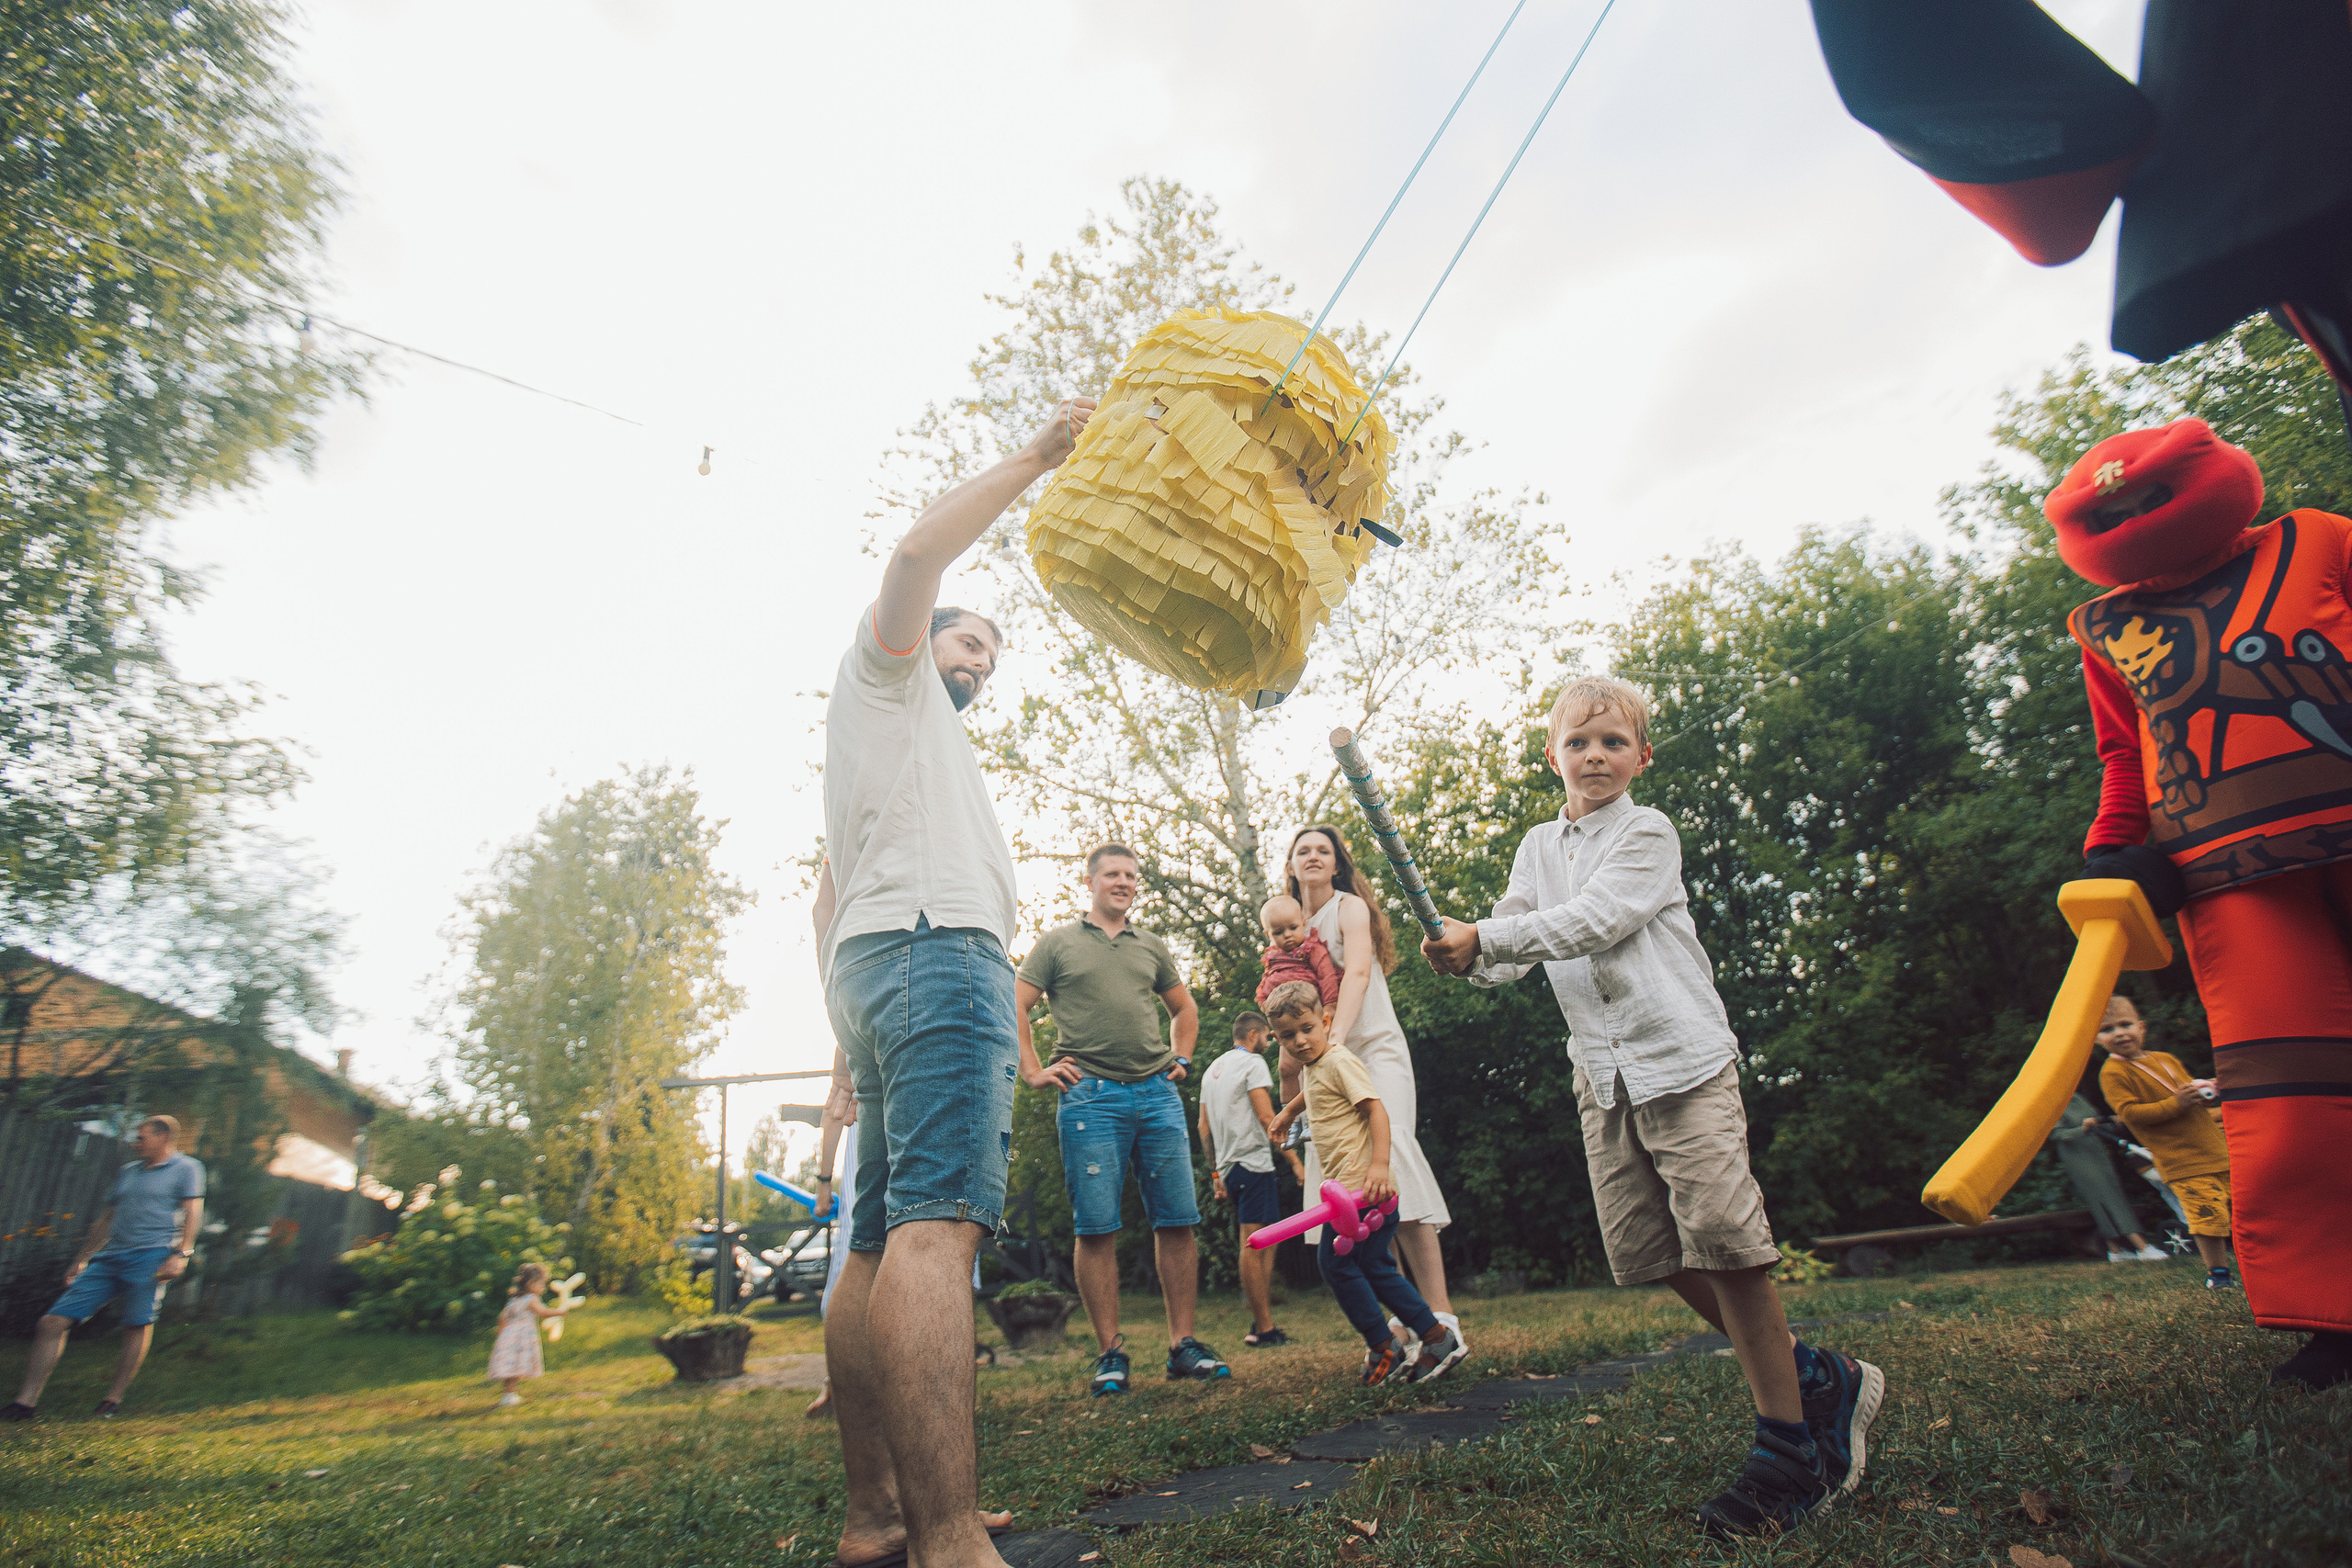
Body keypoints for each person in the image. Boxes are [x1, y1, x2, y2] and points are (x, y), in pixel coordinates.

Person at [1419, 674, 1884, 1540]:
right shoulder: (1536, 844)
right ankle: (1815, 1374)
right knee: (1650, 1252)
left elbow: (1596, 920)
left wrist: (1490, 936)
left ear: (1642, 756)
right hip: (1602, 1077)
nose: (1595, 755)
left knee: (1725, 1240)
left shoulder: (1647, 832)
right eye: (1578, 742)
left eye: (1614, 742)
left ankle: (1788, 1447)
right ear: (1550, 754)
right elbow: (1516, 941)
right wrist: (1466, 951)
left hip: (1681, 1061)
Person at [812, 395, 1091, 1568]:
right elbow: (918, 553)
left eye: (991, 653)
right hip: (936, 959)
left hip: (877, 973)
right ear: (923, 641)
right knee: (937, 1234)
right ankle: (947, 1541)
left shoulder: (906, 743)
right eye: (967, 639)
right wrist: (1035, 458)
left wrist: (842, 1036)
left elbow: (825, 899)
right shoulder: (886, 676)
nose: (977, 658)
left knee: (874, 1243)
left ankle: (879, 1514)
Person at [2043, 416, 2351, 1393]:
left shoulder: (2319, 538)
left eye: (2152, 496)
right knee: (2287, 1092)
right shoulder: (2102, 628)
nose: (2137, 518)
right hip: (2229, 878)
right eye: (2116, 509)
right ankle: (2334, 1311)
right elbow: (2123, 759)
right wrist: (2116, 857)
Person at [1015, 842, 1224, 1395]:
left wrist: (1181, 1058)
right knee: (1097, 1226)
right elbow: (1014, 1002)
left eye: (1131, 875)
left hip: (1155, 1094)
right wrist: (1033, 1070)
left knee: (1178, 1219)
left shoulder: (1149, 946)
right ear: (1091, 881)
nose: (1124, 882)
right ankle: (1110, 1353)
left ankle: (1183, 1345)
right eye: (1113, 874)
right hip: (1090, 1097)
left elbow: (1184, 1008)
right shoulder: (1058, 943)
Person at [1283, 825, 1462, 1368]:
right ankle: (1407, 1325)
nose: (1314, 857)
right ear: (1290, 866)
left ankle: (1443, 1316)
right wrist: (1294, 1080)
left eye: (1324, 850)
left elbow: (1358, 969)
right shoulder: (1285, 926)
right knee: (1351, 1191)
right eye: (1303, 851)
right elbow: (1286, 1008)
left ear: (1337, 864)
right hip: (1323, 1065)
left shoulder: (1348, 908)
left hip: (1371, 1049)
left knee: (1394, 1161)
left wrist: (1335, 1042)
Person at [1262, 982, 1466, 1385]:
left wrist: (1379, 1166)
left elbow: (1376, 1109)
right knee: (1368, 1266)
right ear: (1277, 1039)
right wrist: (1288, 1112)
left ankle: (1405, 1341)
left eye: (1306, 1029)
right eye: (1288, 1036)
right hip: (1347, 1195)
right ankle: (1422, 1338)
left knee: (1343, 1265)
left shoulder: (1339, 1060)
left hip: (1367, 1190)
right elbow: (1314, 1091)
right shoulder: (1316, 1066)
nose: (1300, 1041)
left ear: (1325, 1022)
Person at [5, 1115, 203, 1423]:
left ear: (164, 1137)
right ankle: (24, 1403)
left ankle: (112, 1399)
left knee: (136, 1324)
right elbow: (107, 1217)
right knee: (51, 1322)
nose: (135, 1143)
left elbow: (193, 1211)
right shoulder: (129, 1172)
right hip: (110, 1257)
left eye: (142, 1137)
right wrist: (82, 1258)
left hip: (153, 1256)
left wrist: (182, 1253)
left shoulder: (187, 1168)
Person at [2095, 996, 2236, 1291]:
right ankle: (2218, 1274)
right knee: (2206, 1216)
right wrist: (2177, 1103)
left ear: (2141, 1028)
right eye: (2107, 1029)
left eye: (2126, 1024)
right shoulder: (2113, 1072)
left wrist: (2208, 1090)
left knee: (2239, 1212)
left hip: (2217, 1151)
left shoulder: (2166, 1059)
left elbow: (2189, 1101)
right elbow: (2131, 1114)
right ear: (2096, 1039)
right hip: (2182, 1161)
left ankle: (2253, 1264)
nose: (2120, 1033)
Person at [1198, 1012, 1289, 1348]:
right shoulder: (1252, 1065)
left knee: (1265, 1239)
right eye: (1267, 1036)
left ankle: (1259, 1320)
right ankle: (1263, 1329)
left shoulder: (1213, 1071)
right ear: (1254, 1034)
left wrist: (1216, 1173)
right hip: (1252, 1162)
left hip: (1230, 1168)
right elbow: (1268, 1117)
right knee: (1255, 1243)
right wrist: (1295, 1161)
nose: (1269, 1041)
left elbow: (1203, 1128)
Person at [2048, 1092, 2165, 1262]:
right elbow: (2056, 1134)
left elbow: (2096, 1126)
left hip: (2098, 1154)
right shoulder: (2050, 1103)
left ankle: (2116, 1252)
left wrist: (2115, 1124)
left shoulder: (2077, 1097)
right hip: (2078, 1158)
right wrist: (2082, 1128)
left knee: (2109, 1197)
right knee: (2107, 1198)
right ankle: (2143, 1247)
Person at [488, 1262, 570, 1406]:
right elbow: (542, 1312)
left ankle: (508, 1395)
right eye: (541, 1284)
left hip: (509, 1336)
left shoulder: (513, 1300)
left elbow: (501, 1318)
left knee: (511, 1367)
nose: (543, 1288)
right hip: (521, 1338)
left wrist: (501, 1335)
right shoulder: (531, 1299)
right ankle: (509, 1397)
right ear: (531, 1284)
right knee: (516, 1366)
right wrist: (560, 1312)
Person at [1255, 896, 1341, 1007]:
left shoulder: (1310, 949)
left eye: (1293, 928)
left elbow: (1326, 975)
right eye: (1278, 932)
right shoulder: (1272, 955)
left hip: (1308, 1005)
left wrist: (1330, 1004)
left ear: (1303, 923)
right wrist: (1263, 1000)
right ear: (1268, 935)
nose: (1287, 935)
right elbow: (1266, 978)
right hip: (1280, 1009)